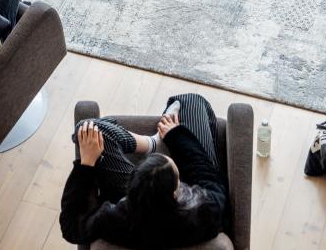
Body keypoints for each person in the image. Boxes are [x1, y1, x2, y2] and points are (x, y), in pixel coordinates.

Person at [59, 93, 228, 249]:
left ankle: (153, 144)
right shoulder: (203, 212)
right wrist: (176, 135)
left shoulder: (115, 219)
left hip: (135, 208)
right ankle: (161, 144)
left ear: (132, 181)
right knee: (192, 100)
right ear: (176, 192)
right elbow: (210, 179)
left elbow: (71, 228)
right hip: (184, 200)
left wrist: (86, 165)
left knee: (86, 129)